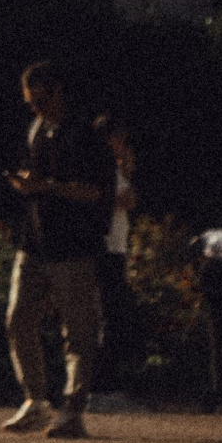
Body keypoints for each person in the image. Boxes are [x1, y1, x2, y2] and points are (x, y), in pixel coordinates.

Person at [2, 60, 110, 437]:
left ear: (59, 91)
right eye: (30, 101)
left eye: (42, 99)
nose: (35, 107)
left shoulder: (86, 133)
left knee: (78, 332)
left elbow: (96, 191)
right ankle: (36, 400)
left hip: (74, 246)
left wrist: (45, 186)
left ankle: (73, 409)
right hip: (34, 241)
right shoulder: (36, 130)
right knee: (18, 319)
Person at [92, 116, 137, 399]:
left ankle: (105, 378)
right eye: (117, 139)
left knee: (112, 313)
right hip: (105, 247)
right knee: (108, 313)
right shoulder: (101, 167)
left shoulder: (114, 169)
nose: (121, 145)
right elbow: (126, 200)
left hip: (115, 246)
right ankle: (101, 381)